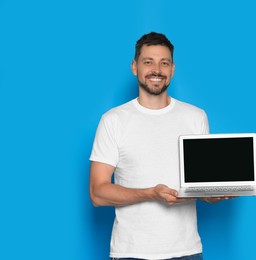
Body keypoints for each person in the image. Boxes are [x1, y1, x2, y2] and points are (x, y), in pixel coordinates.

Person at [89, 32, 226, 260]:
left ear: (172, 69)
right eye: (148, 62)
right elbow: (98, 193)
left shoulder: (196, 117)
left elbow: (199, 183)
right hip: (131, 252)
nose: (157, 70)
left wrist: (211, 195)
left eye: (164, 63)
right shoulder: (113, 120)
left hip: (187, 251)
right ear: (135, 67)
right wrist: (151, 194)